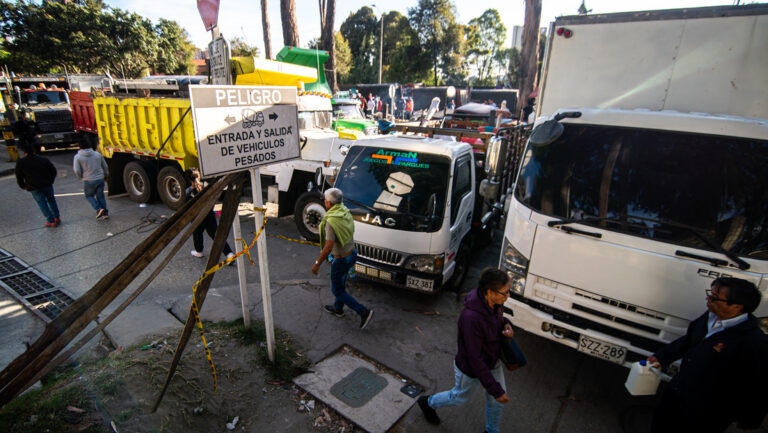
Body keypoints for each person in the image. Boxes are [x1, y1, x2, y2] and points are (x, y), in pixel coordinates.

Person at [647, 277, 768, 433]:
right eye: (710, 294)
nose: (708, 299)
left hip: (706, 412)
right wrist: (661, 356)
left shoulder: (753, 342)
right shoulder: (709, 317)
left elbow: (758, 385)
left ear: (737, 307)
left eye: (714, 297)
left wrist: (750, 418)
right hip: (677, 393)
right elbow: (689, 340)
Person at [417, 267, 513, 433]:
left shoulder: (495, 304)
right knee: (459, 397)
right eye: (504, 293)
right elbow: (474, 358)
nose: (508, 296)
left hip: (493, 361)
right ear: (490, 292)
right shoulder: (471, 319)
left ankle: (491, 431)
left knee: (496, 400)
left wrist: (506, 325)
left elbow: (498, 321)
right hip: (470, 370)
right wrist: (494, 388)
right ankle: (428, 403)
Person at [312, 188, 374, 330]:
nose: (324, 202)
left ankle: (363, 311)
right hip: (352, 254)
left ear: (328, 203)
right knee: (341, 283)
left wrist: (317, 264)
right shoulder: (344, 211)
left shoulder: (331, 221)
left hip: (341, 260)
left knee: (337, 290)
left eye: (325, 200)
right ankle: (338, 308)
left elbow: (328, 247)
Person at [184, 168, 235, 262]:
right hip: (209, 213)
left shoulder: (188, 191)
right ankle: (229, 254)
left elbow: (186, 205)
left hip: (197, 217)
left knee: (197, 234)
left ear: (188, 179)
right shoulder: (206, 185)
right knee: (216, 235)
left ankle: (199, 251)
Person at [15, 144, 61, 227]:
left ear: (24, 153)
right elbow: (53, 171)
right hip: (47, 184)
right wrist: (50, 180)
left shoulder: (21, 162)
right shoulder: (43, 159)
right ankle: (56, 217)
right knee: (51, 200)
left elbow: (19, 176)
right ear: (34, 151)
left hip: (33, 187)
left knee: (42, 203)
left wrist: (22, 185)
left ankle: (50, 221)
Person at [73, 140, 109, 219]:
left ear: (80, 147)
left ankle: (98, 208)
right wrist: (106, 175)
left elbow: (77, 170)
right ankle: (105, 214)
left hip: (88, 180)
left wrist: (80, 176)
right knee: (101, 196)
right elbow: (105, 166)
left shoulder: (78, 157)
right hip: (100, 178)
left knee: (89, 196)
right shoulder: (97, 154)